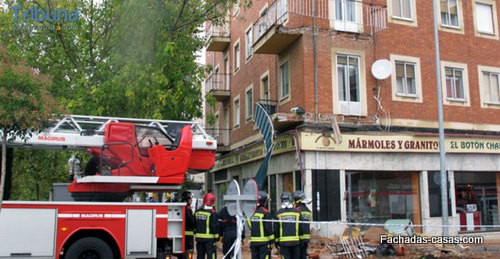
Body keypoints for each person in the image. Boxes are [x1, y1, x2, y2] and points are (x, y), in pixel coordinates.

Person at [274, 192, 303, 259]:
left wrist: (276, 241)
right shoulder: (297, 213)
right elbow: (301, 227)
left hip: (283, 243)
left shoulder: (278, 213)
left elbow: (276, 229)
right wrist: (302, 240)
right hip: (296, 242)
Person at [248, 191, 274, 259]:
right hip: (264, 243)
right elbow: (268, 228)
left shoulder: (251, 212)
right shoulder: (265, 212)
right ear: (264, 201)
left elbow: (249, 224)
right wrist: (272, 241)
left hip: (254, 242)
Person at [195, 193, 219, 259]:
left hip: (199, 239)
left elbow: (194, 224)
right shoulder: (212, 213)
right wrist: (217, 238)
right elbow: (214, 226)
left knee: (200, 256)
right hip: (209, 239)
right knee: (211, 255)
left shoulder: (197, 212)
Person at [293, 191, 312, 259]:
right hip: (306, 238)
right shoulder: (308, 211)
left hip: (299, 238)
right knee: (303, 255)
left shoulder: (297, 210)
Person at [181, 191, 196, 259]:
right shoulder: (187, 209)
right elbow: (192, 221)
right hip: (188, 235)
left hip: (184, 235)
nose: (191, 200)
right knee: (188, 252)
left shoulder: (183, 207)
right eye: (190, 199)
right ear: (186, 199)